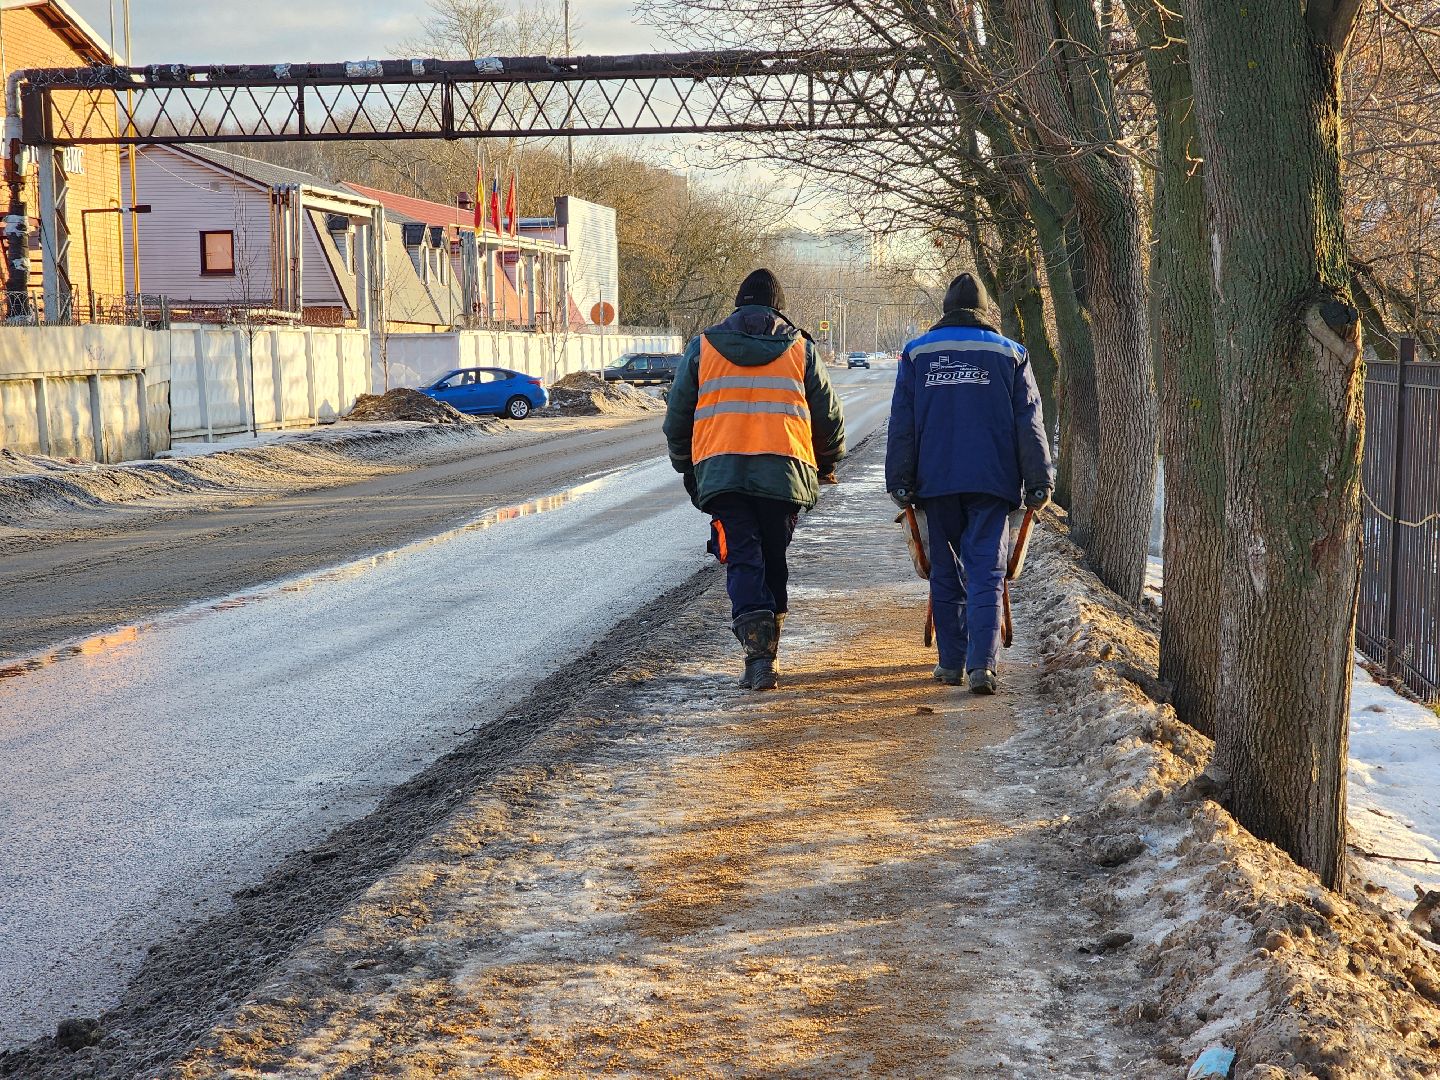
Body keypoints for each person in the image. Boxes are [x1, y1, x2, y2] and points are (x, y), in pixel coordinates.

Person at [665, 269, 846, 691]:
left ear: (738, 305)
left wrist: (687, 468)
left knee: (743, 557)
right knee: (773, 558)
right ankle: (766, 656)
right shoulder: (801, 349)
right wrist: (825, 463)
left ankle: (759, 655)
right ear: (777, 308)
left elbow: (677, 420)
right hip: (785, 474)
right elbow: (829, 417)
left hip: (722, 473)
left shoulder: (703, 347)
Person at [886, 272, 1053, 694]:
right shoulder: (1011, 354)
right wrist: (1038, 480)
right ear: (984, 311)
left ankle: (950, 664)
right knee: (986, 572)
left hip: (935, 480)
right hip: (992, 482)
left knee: (945, 570)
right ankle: (983, 667)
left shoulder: (916, 352)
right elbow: (1028, 422)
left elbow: (902, 423)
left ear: (945, 309)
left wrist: (899, 480)